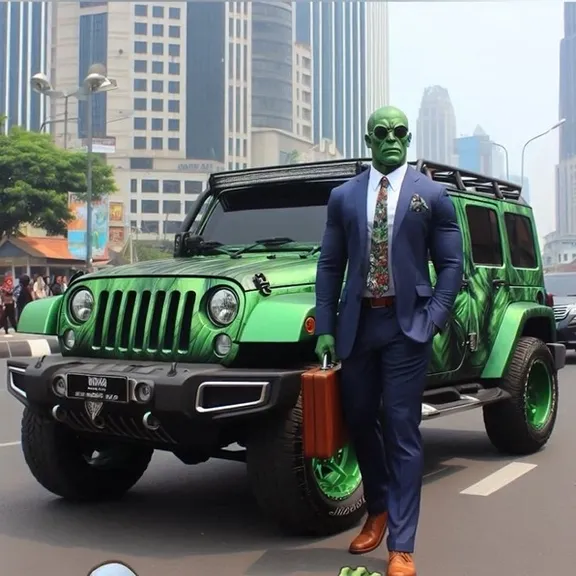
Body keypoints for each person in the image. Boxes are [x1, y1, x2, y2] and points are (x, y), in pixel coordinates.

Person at [314, 106, 463, 576]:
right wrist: (328, 326)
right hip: (358, 325)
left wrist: (433, 318)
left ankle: (401, 543)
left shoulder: (432, 195)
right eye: (382, 132)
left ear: (409, 137)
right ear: (369, 139)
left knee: (402, 431)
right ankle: (377, 507)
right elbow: (330, 266)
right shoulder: (343, 196)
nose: (392, 139)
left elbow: (452, 265)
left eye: (400, 132)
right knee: (359, 420)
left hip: (406, 328)